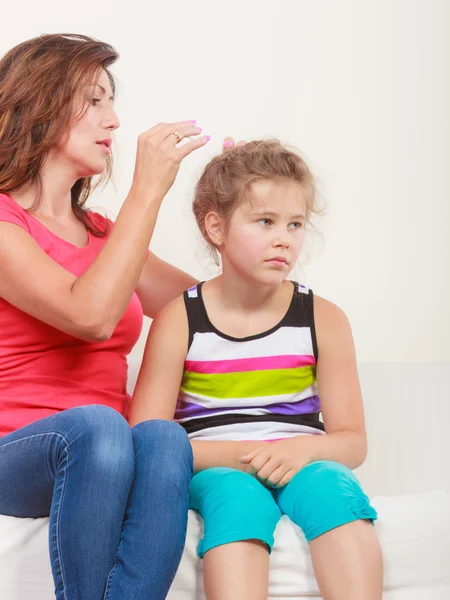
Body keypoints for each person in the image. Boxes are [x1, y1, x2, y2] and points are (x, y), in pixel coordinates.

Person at [0, 32, 238, 600]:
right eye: (94, 100)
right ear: (39, 105)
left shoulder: (105, 234)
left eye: (113, 102)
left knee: (161, 438)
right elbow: (91, 315)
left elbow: (206, 311)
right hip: (19, 453)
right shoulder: (4, 225)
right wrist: (147, 191)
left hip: (109, 454)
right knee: (102, 425)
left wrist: (240, 208)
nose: (114, 121)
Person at [130, 140, 384, 600]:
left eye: (295, 224)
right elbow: (147, 441)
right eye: (265, 222)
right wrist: (250, 455)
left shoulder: (323, 318)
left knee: (334, 488)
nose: (283, 238)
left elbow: (352, 440)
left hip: (301, 460)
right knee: (237, 499)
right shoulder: (179, 319)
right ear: (216, 227)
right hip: (215, 466)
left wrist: (301, 454)